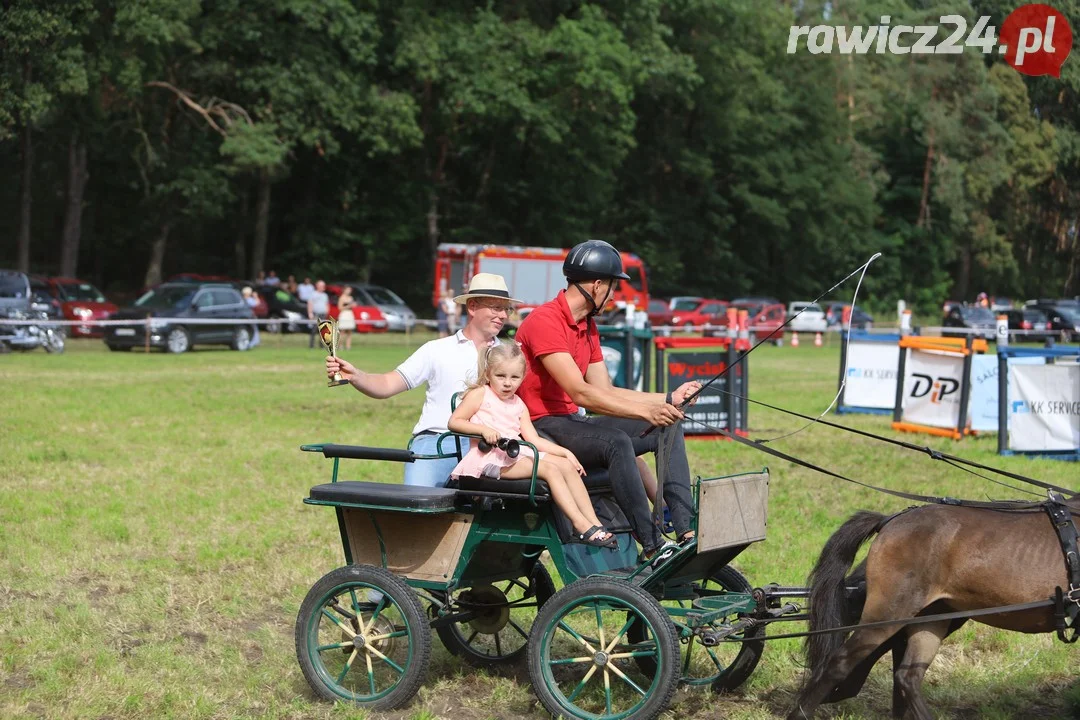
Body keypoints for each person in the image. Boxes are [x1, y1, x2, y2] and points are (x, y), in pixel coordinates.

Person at [515, 239, 702, 567]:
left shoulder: (588, 326)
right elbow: (581, 393)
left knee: (666, 426)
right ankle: (653, 544)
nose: (614, 295)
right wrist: (647, 410)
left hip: (572, 422)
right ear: (596, 285)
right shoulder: (544, 321)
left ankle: (686, 531)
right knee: (616, 441)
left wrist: (668, 400)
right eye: (613, 287)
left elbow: (606, 390)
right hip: (542, 426)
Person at [326, 273, 518, 487]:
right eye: (496, 307)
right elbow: (388, 384)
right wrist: (356, 376)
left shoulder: (510, 354)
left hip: (492, 448)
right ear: (472, 307)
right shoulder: (436, 349)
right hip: (436, 442)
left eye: (506, 309)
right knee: (415, 508)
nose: (503, 315)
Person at [449, 342, 616, 547]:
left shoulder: (518, 404)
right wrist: (482, 430)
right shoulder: (481, 394)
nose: (507, 383)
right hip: (488, 460)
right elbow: (454, 422)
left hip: (515, 454)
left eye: (514, 377)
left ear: (522, 377)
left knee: (565, 466)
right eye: (501, 376)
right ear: (488, 373)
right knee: (550, 470)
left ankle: (594, 522)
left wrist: (566, 453)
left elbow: (534, 440)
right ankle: (579, 524)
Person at [307, 280, 330, 349]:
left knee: (322, 331)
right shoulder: (313, 294)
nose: (323, 287)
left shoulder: (325, 295)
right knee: (314, 330)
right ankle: (311, 346)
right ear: (317, 286)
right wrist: (310, 313)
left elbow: (327, 304)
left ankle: (322, 346)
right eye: (321, 286)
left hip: (323, 314)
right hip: (315, 314)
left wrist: (327, 312)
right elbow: (310, 304)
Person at [337, 286, 356, 351]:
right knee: (342, 331)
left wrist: (353, 306)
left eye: (350, 290)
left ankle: (348, 346)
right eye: (348, 290)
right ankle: (340, 346)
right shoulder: (341, 298)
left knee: (349, 332)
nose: (349, 291)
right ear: (344, 290)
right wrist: (348, 306)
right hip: (344, 314)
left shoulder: (351, 298)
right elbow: (340, 308)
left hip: (350, 314)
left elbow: (352, 306)